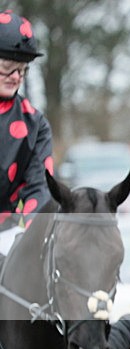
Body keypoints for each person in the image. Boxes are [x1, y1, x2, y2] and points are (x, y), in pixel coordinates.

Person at [0, 10, 52, 255]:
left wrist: (36, 233)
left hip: (5, 234)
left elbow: (39, 187)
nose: (16, 77)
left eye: (22, 70)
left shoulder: (35, 124)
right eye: (7, 68)